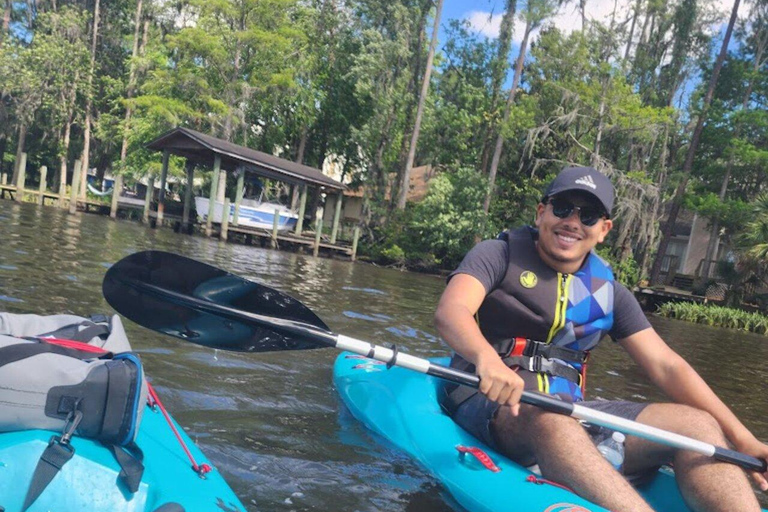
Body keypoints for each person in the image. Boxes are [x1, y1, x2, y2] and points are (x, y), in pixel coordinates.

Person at [434, 166, 768, 512]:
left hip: (570, 413)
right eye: (562, 208)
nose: (573, 222)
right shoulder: (498, 254)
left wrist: (742, 439)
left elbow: (667, 366)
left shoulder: (610, 292)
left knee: (698, 425)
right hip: (491, 404)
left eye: (589, 215)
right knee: (546, 409)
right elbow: (452, 311)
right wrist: (486, 358)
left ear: (604, 229)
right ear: (541, 212)